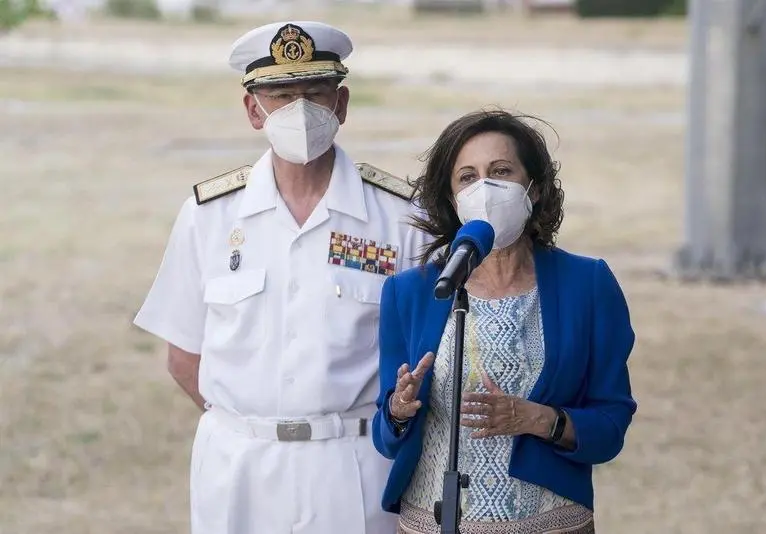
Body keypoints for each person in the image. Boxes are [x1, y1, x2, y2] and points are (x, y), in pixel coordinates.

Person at [134, 21, 428, 534]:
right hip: (238, 466)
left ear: (341, 105)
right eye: (282, 96)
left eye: (315, 94)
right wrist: (252, 422)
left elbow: (431, 351)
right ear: (253, 110)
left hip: (354, 462)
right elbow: (184, 357)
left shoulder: (399, 217)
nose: (301, 111)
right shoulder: (210, 214)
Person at [371, 110, 637, 534]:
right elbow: (385, 435)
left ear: (534, 186)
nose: (485, 188)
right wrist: (400, 410)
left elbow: (610, 425)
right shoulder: (413, 291)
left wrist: (536, 419)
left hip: (552, 525)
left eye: (501, 171)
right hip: (433, 523)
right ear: (451, 198)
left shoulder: (588, 284)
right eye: (467, 177)